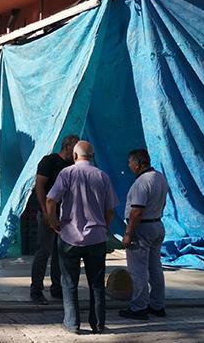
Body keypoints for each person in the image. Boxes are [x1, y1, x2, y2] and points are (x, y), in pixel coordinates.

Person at [46, 141, 118, 334]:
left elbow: (51, 199)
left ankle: (72, 324)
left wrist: (53, 221)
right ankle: (98, 324)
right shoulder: (102, 176)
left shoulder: (67, 174)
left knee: (69, 282)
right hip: (96, 237)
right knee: (96, 283)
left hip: (70, 236)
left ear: (75, 156)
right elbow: (110, 209)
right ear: (92, 155)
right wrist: (103, 226)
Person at [119, 149, 168, 320]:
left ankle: (139, 307)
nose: (129, 166)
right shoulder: (160, 177)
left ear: (138, 163)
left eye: (131, 162)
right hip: (157, 225)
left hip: (143, 229)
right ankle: (157, 305)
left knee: (138, 270)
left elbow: (136, 212)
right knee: (155, 268)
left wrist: (128, 234)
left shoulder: (142, 182)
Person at [30, 134, 79, 305]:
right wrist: (45, 211)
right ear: (67, 147)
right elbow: (40, 186)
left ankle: (57, 288)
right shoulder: (49, 161)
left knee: (62, 253)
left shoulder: (74, 165)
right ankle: (36, 289)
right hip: (50, 212)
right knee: (44, 251)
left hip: (66, 216)